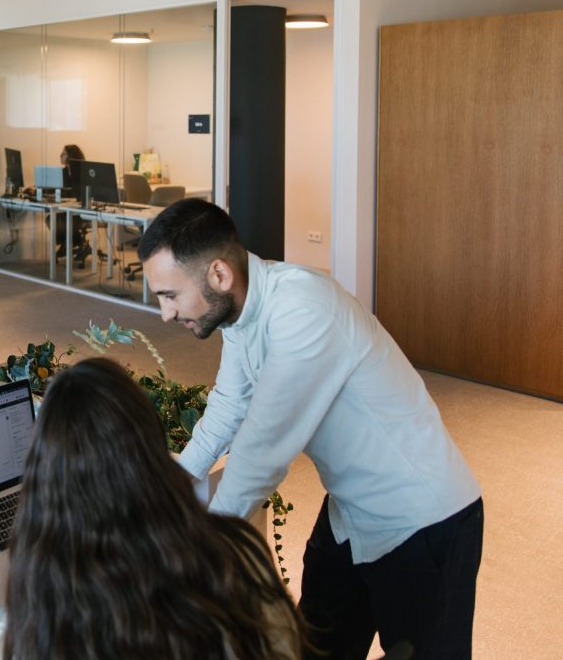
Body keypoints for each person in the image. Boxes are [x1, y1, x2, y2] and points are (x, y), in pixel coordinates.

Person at [137, 198, 484, 659]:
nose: (165, 314)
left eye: (169, 296)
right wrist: (175, 486)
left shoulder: (302, 309)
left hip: (422, 520)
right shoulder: (241, 311)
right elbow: (229, 403)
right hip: (349, 515)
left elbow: (263, 448)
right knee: (315, 648)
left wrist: (197, 553)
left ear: (218, 275)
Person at [0, 357, 306, 660]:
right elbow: (283, 642)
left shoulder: (47, 612)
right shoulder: (237, 556)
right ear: (152, 449)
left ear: (46, 476)